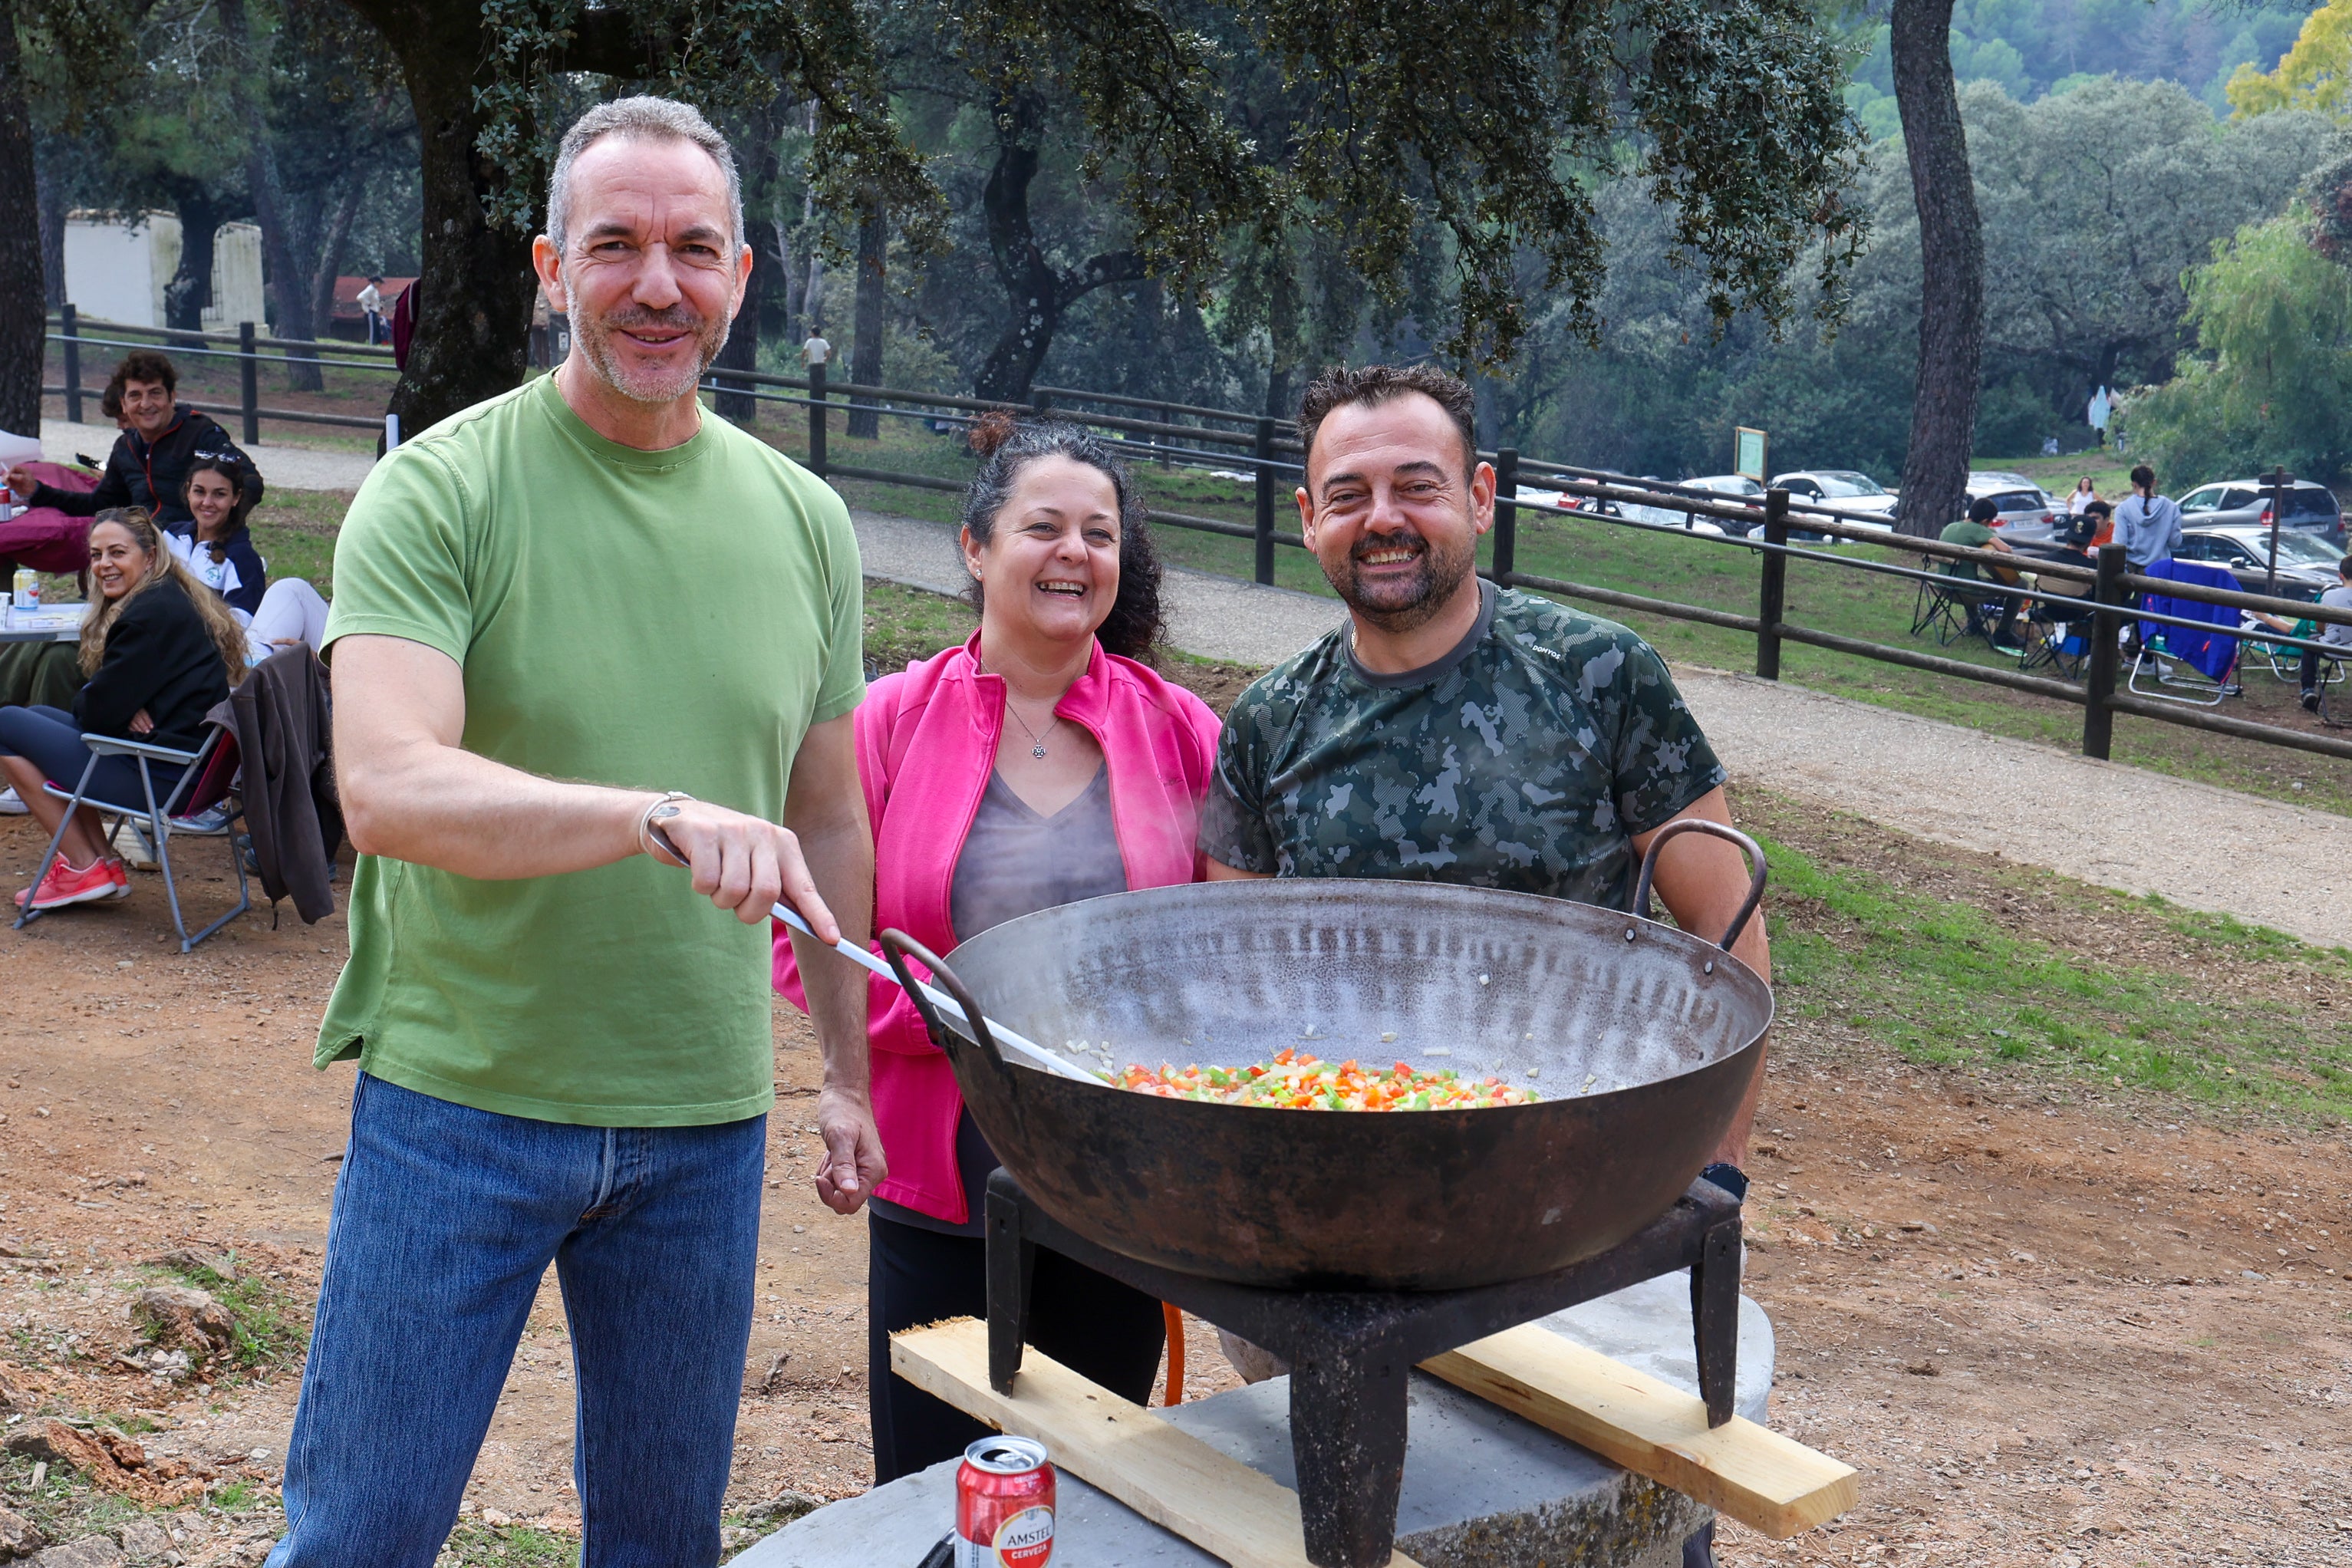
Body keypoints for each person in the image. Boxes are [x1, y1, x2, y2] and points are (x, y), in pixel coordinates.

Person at [265, 97, 876, 1567]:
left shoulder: (806, 522)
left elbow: (830, 812)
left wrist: (847, 1071)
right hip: (461, 1102)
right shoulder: (440, 488)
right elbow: (389, 787)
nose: (655, 284)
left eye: (691, 248)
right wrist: (646, 814)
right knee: (360, 1536)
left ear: (741, 273)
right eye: (615, 245)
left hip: (702, 1120)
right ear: (551, 268)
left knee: (664, 1544)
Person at [1198, 364, 1771, 1568]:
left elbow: (1725, 936)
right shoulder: (1269, 724)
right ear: (1306, 519)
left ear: (1481, 495)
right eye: (1345, 494)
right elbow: (1227, 985)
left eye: (1416, 485)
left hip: (1577, 1203)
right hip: (1344, 1218)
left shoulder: (1598, 676)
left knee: (1599, 1526)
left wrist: (1710, 1175)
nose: (1383, 520)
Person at [776, 412, 1222, 1483]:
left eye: (1100, 534)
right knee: (939, 1493)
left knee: (1104, 1495)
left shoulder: (1180, 731)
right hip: (935, 1176)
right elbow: (806, 937)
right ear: (976, 550)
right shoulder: (883, 722)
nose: (1074, 553)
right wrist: (960, 1026)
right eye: (1044, 527)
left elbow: (1228, 949)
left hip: (1119, 1186)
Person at [0, 509, 242, 909]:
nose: (103, 565)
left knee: (7, 724)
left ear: (149, 556)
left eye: (117, 552)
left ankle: (82, 866)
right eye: (96, 555)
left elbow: (94, 712)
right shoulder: (170, 597)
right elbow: (105, 705)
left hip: (161, 777)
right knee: (40, 715)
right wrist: (120, 703)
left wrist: (113, 702)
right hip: (188, 770)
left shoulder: (147, 616)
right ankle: (104, 864)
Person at [3, 351, 263, 527]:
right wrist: (37, 491)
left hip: (195, 557)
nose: (146, 404)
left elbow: (250, 482)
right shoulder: (126, 447)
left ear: (172, 397)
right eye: (136, 395)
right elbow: (99, 505)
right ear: (124, 404)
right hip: (144, 557)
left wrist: (214, 532)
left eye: (155, 393)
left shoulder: (199, 433)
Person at [170, 455, 331, 657]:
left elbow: (236, 631)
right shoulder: (170, 537)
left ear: (236, 498)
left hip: (214, 654)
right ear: (188, 491)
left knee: (293, 588)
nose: (207, 502)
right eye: (199, 492)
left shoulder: (242, 560)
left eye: (219, 494)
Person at [1941, 496, 2025, 650]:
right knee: (2021, 584)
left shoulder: (1950, 527)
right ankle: (2003, 632)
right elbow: (2006, 550)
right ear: (1986, 521)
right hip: (1965, 591)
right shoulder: (1979, 529)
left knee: (1969, 576)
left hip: (1942, 587)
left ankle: (1975, 624)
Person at [2301, 555, 2352, 712]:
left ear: (2340, 575)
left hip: (2332, 647)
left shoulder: (2330, 595)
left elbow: (2319, 626)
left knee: (2310, 643)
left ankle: (2308, 690)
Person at [2111, 463, 2182, 571]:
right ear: (2154, 482)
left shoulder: (2123, 509)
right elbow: (2175, 542)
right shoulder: (2172, 508)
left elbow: (2119, 545)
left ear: (2134, 485)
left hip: (2133, 573)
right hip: (2162, 571)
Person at [357, 275, 385, 345]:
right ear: (376, 282)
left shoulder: (375, 290)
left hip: (375, 312)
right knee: (372, 330)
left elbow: (375, 301)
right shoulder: (370, 289)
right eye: (380, 283)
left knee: (376, 329)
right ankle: (371, 344)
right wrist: (368, 304)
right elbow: (360, 297)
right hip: (370, 312)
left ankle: (375, 344)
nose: (381, 285)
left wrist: (379, 308)